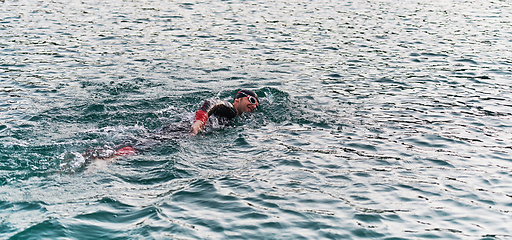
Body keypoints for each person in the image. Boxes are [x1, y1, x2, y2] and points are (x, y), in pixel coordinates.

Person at [190, 89, 259, 135]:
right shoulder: (230, 108)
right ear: (237, 99)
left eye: (256, 105)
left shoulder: (239, 119)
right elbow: (210, 103)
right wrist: (199, 122)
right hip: (189, 128)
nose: (254, 106)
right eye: (252, 100)